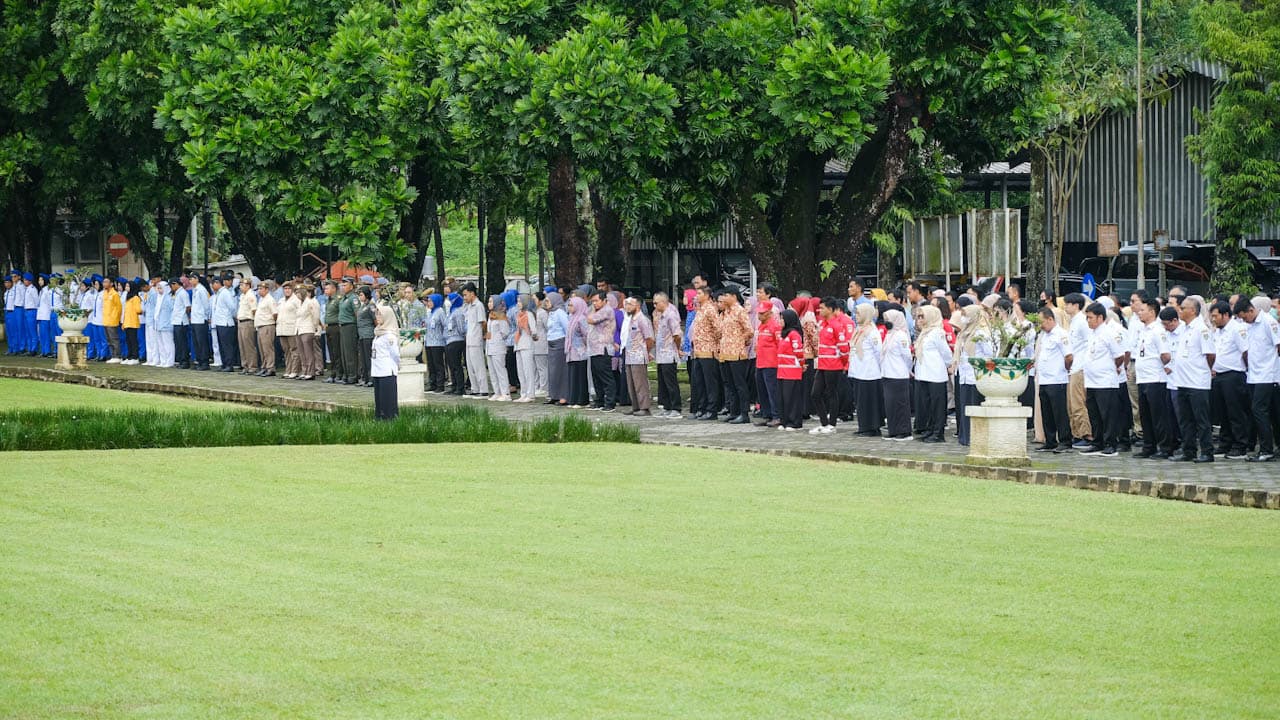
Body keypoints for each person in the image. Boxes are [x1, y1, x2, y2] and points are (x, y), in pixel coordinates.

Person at [1078, 302, 1127, 457]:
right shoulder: (1092, 334)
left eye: (1090, 318)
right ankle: (1097, 442)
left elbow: (1119, 356)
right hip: (1091, 381)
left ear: (1100, 317)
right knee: (1094, 414)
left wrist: (1112, 368)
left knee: (1108, 415)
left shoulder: (1108, 333)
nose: (1088, 321)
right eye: (1087, 318)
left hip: (1106, 381)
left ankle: (1110, 444)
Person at [1131, 296, 1174, 458]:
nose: (1139, 313)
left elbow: (1165, 354)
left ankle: (1165, 447)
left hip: (1155, 378)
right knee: (1146, 415)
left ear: (1152, 312)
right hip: (1143, 378)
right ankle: (1149, 446)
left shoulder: (1158, 330)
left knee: (1159, 416)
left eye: (1142, 310)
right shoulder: (1144, 330)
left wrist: (1162, 367)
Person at [1239, 296, 1279, 462]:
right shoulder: (1249, 325)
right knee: (1267, 412)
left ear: (1251, 310)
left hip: (1268, 374)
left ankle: (1266, 449)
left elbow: (1278, 345)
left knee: (1259, 410)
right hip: (1254, 375)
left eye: (1244, 317)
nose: (1244, 321)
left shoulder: (1269, 322)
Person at [1209, 300, 1250, 459]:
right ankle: (1225, 443)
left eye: (1216, 316)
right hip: (1219, 375)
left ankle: (1240, 445)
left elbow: (1245, 352)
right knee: (1223, 412)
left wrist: (1246, 369)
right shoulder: (1217, 331)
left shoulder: (1237, 329)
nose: (1213, 319)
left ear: (1226, 315)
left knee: (1235, 412)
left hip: (1233, 375)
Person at [809, 297, 851, 434]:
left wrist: (843, 363)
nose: (819, 310)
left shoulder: (836, 326)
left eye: (822, 308)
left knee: (832, 393)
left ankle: (832, 424)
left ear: (831, 309)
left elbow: (844, 348)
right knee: (815, 394)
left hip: (833, 365)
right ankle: (824, 423)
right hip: (822, 364)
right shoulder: (822, 324)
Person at [1035, 307, 1073, 453]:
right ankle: (1050, 440)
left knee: (1059, 412)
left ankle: (1065, 440)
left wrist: (1065, 369)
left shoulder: (1061, 334)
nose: (1040, 326)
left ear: (1050, 319)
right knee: (1047, 412)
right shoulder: (1045, 335)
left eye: (1042, 322)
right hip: (1044, 379)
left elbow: (1069, 356)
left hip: (1057, 379)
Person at [913, 304, 953, 443]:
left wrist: (948, 365)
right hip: (924, 373)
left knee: (937, 405)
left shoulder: (937, 332)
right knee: (927, 404)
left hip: (935, 374)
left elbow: (946, 353)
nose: (920, 320)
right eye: (918, 317)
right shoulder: (924, 332)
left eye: (922, 317)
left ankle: (938, 433)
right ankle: (929, 429)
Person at [951, 304, 988, 446]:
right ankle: (965, 436)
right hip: (964, 376)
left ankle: (975, 437)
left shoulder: (980, 333)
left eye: (966, 315)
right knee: (964, 407)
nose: (963, 318)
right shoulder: (964, 333)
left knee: (974, 407)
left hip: (975, 376)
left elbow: (988, 353)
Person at [716, 288, 752, 424]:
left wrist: (739, 341)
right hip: (725, 353)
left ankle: (744, 413)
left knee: (739, 384)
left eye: (726, 295)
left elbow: (749, 330)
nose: (724, 298)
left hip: (736, 353)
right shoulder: (725, 312)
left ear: (734, 296)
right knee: (730, 384)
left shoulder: (740, 311)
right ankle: (734, 411)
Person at [848, 302, 883, 436]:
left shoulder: (872, 331)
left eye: (858, 314)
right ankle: (863, 426)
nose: (856, 316)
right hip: (858, 371)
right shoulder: (859, 329)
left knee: (870, 401)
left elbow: (878, 352)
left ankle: (872, 427)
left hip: (869, 372)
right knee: (861, 401)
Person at [1063, 293, 1093, 447]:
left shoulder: (1082, 321)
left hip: (1080, 366)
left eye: (1068, 304)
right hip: (1073, 366)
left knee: (1078, 402)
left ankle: (1085, 434)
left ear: (1076, 305)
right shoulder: (1073, 321)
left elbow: (1089, 342)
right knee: (1071, 403)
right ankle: (1076, 432)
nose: (1065, 307)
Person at [880, 308, 913, 440]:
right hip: (887, 373)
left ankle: (904, 431)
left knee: (900, 404)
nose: (886, 322)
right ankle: (893, 430)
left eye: (888, 319)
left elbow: (907, 356)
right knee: (890, 404)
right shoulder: (889, 334)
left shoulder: (901, 335)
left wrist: (907, 369)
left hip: (899, 374)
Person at [689, 287, 721, 420]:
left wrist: (715, 344)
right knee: (699, 381)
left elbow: (718, 329)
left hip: (708, 351)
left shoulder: (710, 309)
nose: (696, 296)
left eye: (699, 293)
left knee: (710, 382)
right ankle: (701, 408)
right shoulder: (700, 310)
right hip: (698, 351)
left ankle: (711, 409)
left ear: (707, 295)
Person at [621, 296, 654, 416]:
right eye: (626, 304)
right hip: (629, 355)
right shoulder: (630, 319)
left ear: (638, 306)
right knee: (631, 383)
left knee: (640, 383)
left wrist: (646, 351)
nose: (627, 307)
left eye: (630, 304)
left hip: (639, 356)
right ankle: (635, 406)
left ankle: (644, 407)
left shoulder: (642, 320)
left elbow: (649, 339)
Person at [652, 291, 683, 418]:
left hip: (669, 353)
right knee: (662, 382)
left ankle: (676, 407)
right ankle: (666, 406)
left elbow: (677, 334)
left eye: (656, 303)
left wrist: (677, 348)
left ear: (663, 302)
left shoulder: (671, 315)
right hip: (661, 354)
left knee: (671, 382)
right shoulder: (661, 315)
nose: (654, 306)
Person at [586, 289, 618, 411]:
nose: (594, 303)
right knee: (596, 376)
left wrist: (592, 311)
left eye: (596, 301)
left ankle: (610, 402)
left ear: (604, 300)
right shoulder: (596, 310)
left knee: (605, 376)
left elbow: (590, 319)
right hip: (593, 348)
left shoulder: (607, 310)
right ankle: (599, 401)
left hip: (603, 347)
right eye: (592, 301)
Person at [775, 309, 806, 430]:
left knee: (791, 397)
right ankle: (784, 420)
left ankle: (794, 421)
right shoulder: (783, 334)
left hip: (792, 370)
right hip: (782, 370)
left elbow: (799, 352)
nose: (780, 321)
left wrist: (802, 364)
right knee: (782, 397)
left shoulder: (794, 334)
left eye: (782, 318)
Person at [754, 298, 782, 427]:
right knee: (762, 391)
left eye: (762, 313)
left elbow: (780, 345)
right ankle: (767, 415)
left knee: (772, 391)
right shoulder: (761, 326)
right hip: (760, 362)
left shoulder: (775, 326)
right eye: (759, 313)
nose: (759, 315)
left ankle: (777, 416)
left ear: (769, 313)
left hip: (771, 364)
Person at [370, 304, 401, 420]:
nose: (377, 317)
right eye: (376, 314)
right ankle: (380, 416)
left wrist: (397, 364)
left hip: (386, 370)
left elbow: (395, 354)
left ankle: (389, 418)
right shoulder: (378, 332)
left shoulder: (389, 335)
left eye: (380, 314)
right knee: (379, 397)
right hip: (377, 369)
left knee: (387, 397)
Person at [462, 283, 489, 397]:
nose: (464, 297)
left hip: (476, 339)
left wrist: (483, 334)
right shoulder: (468, 306)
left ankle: (483, 389)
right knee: (470, 365)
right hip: (469, 339)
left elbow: (483, 322)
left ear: (472, 293)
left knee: (478, 365)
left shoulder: (478, 305)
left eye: (466, 295)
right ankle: (475, 388)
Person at [544, 292, 570, 406]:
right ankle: (554, 395)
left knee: (561, 370)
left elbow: (567, 328)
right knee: (552, 371)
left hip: (560, 343)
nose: (546, 303)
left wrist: (567, 343)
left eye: (548, 301)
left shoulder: (560, 312)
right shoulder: (551, 313)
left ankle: (563, 396)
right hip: (551, 343)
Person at [565, 295, 591, 408]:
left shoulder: (582, 318)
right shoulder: (571, 318)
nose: (569, 307)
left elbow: (586, 335)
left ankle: (581, 400)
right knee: (573, 376)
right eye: (569, 305)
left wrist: (584, 347)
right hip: (571, 352)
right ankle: (573, 399)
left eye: (571, 305)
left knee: (580, 376)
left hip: (580, 352)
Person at [485, 295, 512, 401]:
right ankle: (497, 392)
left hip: (498, 347)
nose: (489, 304)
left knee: (500, 370)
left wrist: (497, 339)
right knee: (492, 371)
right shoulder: (490, 316)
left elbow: (505, 332)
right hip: (490, 347)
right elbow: (489, 331)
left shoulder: (501, 316)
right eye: (489, 301)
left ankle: (505, 393)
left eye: (491, 302)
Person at [513, 297, 538, 402]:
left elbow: (534, 330)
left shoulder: (529, 314)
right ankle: (523, 393)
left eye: (520, 301)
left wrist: (531, 333)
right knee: (521, 371)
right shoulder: (518, 314)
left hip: (527, 344)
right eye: (518, 301)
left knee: (528, 370)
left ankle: (530, 394)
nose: (518, 303)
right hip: (519, 343)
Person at [213, 274, 239, 372]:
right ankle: (224, 363)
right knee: (221, 345)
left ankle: (229, 364)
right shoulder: (219, 293)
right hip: (219, 322)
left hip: (226, 322)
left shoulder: (225, 293)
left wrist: (232, 316)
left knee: (227, 345)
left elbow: (232, 307)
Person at [444, 292, 468, 395]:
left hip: (457, 340)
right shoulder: (450, 312)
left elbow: (461, 328)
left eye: (450, 299)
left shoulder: (458, 312)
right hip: (449, 341)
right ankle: (454, 385)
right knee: (451, 365)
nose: (448, 302)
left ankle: (460, 387)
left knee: (456, 365)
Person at [277, 283, 301, 379]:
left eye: (289, 288)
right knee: (286, 350)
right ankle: (288, 369)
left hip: (292, 328)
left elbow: (299, 314)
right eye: (285, 289)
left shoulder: (296, 300)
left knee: (294, 350)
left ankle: (295, 370)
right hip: (282, 328)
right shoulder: (281, 300)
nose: (287, 290)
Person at [253, 282, 278, 377]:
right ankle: (264, 366)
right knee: (262, 348)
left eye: (261, 289)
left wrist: (271, 322)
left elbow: (275, 313)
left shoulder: (270, 300)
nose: (259, 291)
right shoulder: (261, 299)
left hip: (267, 325)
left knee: (268, 348)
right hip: (260, 326)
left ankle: (270, 367)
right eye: (258, 289)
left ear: (267, 290)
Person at [295, 285, 320, 380]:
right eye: (296, 292)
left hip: (307, 328)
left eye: (298, 292)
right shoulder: (299, 303)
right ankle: (304, 370)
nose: (297, 295)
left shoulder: (310, 302)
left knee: (308, 351)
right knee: (301, 352)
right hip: (299, 329)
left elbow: (315, 316)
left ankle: (310, 371)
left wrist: (315, 326)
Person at [424, 293, 447, 393]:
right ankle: (432, 383)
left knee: (438, 364)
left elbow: (445, 325)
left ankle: (440, 384)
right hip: (429, 341)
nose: (428, 303)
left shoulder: (440, 311)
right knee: (431, 365)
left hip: (438, 342)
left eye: (430, 301)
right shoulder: (430, 312)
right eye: (428, 301)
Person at [170, 276, 191, 369]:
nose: (171, 288)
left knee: (182, 342)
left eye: (171, 285)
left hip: (181, 321)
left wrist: (184, 315)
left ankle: (185, 361)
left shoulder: (183, 293)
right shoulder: (177, 293)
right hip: (176, 320)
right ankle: (181, 360)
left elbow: (188, 307)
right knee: (178, 342)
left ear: (175, 284)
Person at [532, 293, 550, 398]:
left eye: (535, 299)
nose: (533, 301)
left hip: (542, 342)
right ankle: (536, 386)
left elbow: (548, 327)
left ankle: (544, 388)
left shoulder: (543, 313)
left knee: (542, 367)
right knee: (535, 367)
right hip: (534, 343)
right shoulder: (535, 312)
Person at [101, 278, 122, 363]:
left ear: (111, 283)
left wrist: (117, 318)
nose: (104, 284)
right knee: (109, 340)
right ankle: (112, 355)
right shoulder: (105, 293)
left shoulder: (114, 294)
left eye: (106, 282)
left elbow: (119, 308)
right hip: (105, 320)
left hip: (112, 320)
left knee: (114, 339)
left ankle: (117, 356)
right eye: (104, 282)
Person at [121, 281, 142, 365]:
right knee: (128, 340)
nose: (126, 288)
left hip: (133, 322)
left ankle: (135, 357)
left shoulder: (135, 298)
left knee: (133, 340)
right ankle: (129, 356)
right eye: (126, 286)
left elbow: (138, 310)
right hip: (127, 322)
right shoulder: (128, 298)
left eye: (128, 286)